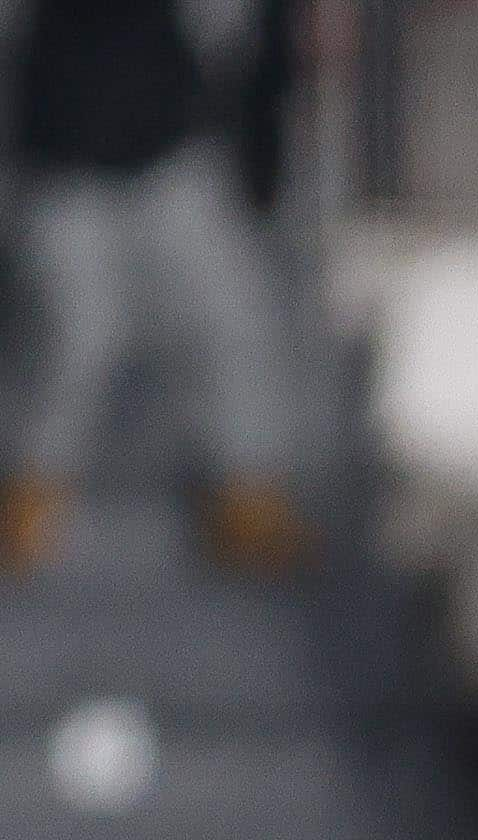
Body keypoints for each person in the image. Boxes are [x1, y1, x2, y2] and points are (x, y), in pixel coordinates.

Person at [1, 0, 306, 573]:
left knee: (230, 319)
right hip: (59, 161)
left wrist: (255, 146)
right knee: (72, 334)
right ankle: (28, 494)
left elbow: (236, 39)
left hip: (171, 150)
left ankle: (248, 494)